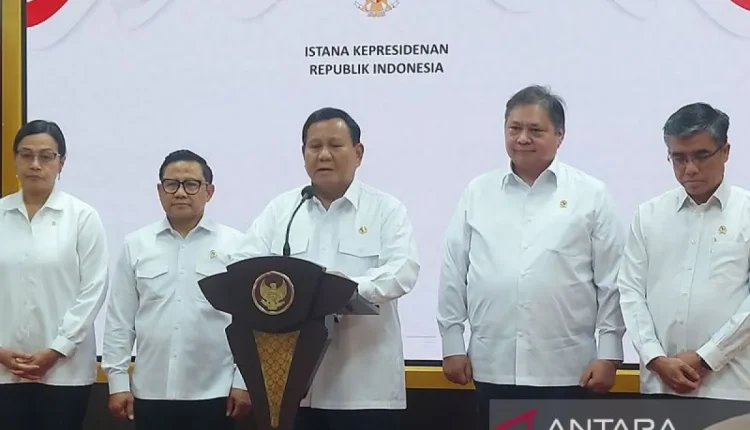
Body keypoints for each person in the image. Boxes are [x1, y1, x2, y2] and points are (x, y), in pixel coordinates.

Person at [436, 85, 626, 429]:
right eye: (514, 128)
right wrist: (452, 343)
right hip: (492, 364)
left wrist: (610, 354)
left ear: (560, 135)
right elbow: (454, 270)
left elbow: (611, 280)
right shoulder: (478, 192)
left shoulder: (591, 194)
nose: (523, 138)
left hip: (567, 369)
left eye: (535, 130)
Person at [232, 107, 420, 430]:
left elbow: (403, 270)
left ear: (358, 153)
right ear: (303, 154)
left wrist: (343, 290)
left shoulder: (386, 209)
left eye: (335, 145)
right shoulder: (282, 211)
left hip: (364, 388)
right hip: (291, 390)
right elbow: (245, 270)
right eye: (314, 146)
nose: (323, 155)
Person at [101, 150, 251, 430]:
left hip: (216, 392)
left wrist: (242, 382)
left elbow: (248, 323)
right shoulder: (137, 245)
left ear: (209, 191)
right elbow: (120, 320)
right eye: (172, 184)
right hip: (151, 391)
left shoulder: (237, 246)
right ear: (160, 191)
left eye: (191, 184)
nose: (180, 192)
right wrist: (117, 383)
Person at [618, 102, 750, 401]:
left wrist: (707, 357)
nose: (690, 168)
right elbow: (631, 291)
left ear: (725, 152)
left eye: (701, 155)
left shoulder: (746, 213)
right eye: (678, 158)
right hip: (659, 384)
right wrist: (654, 358)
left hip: (731, 387)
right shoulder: (648, 215)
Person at [0, 120, 109, 430]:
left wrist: (57, 349)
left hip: (65, 372)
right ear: (15, 160)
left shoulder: (82, 217)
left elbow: (94, 290)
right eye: (26, 155)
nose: (35, 164)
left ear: (61, 162)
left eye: (46, 156)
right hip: (4, 369)